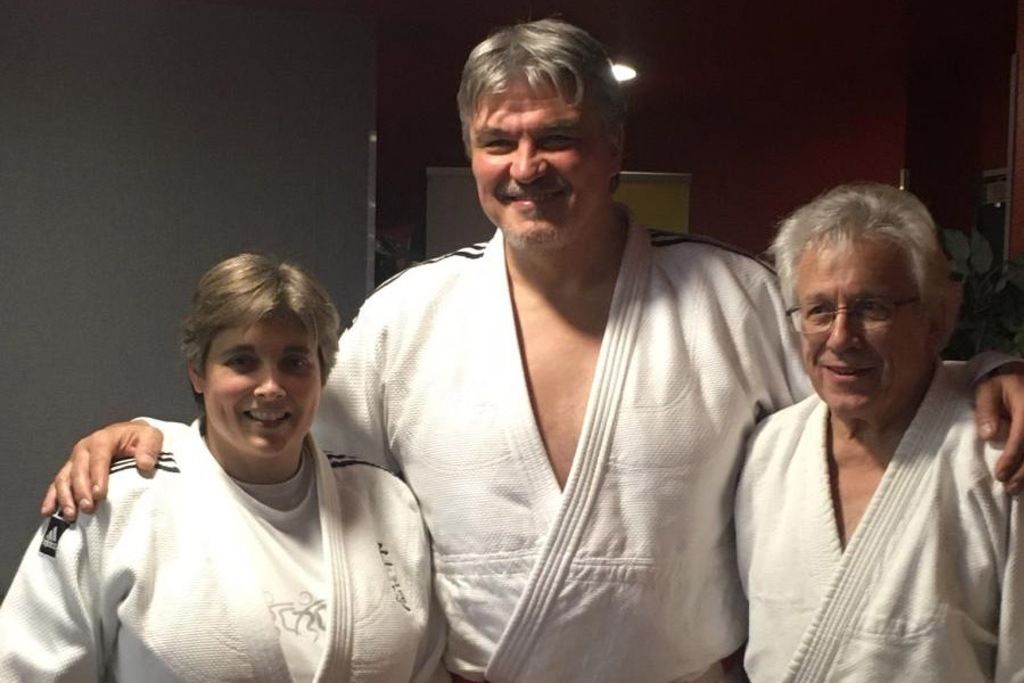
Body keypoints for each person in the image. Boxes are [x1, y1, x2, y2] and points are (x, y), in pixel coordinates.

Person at [40, 19, 1024, 683]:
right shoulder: (408, 315)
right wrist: (156, 443)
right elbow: (282, 448)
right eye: (496, 141)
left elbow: (863, 382)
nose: (525, 167)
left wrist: (989, 373)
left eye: (556, 137)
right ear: (471, 153)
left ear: (613, 145)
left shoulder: (732, 297)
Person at [2, 254, 448, 682]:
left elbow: (426, 670)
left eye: (294, 363)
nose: (271, 387)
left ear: (322, 373)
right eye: (242, 361)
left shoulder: (389, 504)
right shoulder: (115, 503)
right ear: (198, 372)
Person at [735, 184, 1023, 682]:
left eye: (872, 308)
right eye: (818, 310)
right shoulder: (769, 450)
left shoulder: (1000, 457)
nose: (840, 337)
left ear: (937, 318)